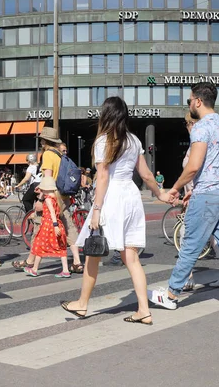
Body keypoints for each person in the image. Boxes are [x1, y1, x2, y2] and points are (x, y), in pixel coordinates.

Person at [60, 96, 167, 325]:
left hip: (112, 198)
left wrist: (96, 209)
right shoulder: (134, 140)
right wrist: (160, 194)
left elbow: (103, 177)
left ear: (105, 114)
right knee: (132, 256)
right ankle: (144, 310)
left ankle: (82, 303)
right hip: (131, 195)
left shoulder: (103, 141)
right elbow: (146, 174)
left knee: (93, 253)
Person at [152, 82, 219, 318]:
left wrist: (175, 187)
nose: (189, 104)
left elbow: (194, 165)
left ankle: (172, 294)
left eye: (189, 101)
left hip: (208, 193)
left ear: (197, 101)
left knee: (190, 245)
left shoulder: (201, 127)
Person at [11, 127, 84, 274]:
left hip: (52, 197)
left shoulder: (48, 155)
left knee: (39, 228)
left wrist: (40, 198)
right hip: (63, 197)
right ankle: (77, 261)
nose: (41, 143)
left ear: (44, 141)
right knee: (69, 227)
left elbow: (48, 179)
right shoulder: (59, 155)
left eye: (42, 140)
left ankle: (31, 262)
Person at [179, 111, 219, 291]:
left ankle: (185, 279)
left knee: (187, 238)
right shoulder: (198, 143)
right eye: (188, 124)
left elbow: (193, 169)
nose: (188, 127)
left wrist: (176, 189)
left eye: (190, 123)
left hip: (199, 197)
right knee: (216, 238)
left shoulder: (199, 143)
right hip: (201, 197)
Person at [23, 176, 70, 278]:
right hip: (58, 223)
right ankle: (65, 270)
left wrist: (54, 225)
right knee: (61, 247)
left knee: (39, 245)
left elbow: (52, 213)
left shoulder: (48, 199)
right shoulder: (56, 197)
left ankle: (34, 269)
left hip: (48, 225)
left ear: (45, 189)